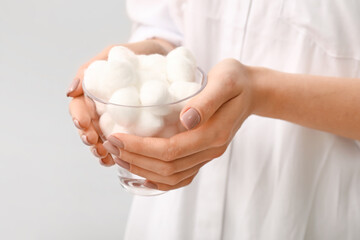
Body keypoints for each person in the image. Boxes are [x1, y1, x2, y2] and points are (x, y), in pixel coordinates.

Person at [67, 0, 360, 239]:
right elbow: (167, 25)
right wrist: (141, 61)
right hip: (172, 216)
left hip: (311, 209)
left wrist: (260, 92)